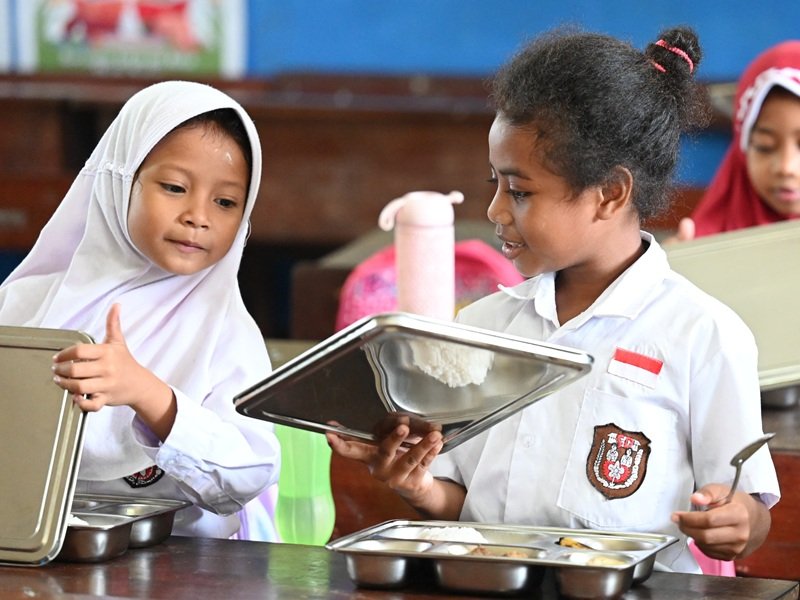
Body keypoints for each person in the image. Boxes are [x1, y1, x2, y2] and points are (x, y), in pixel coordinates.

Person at [326, 27, 780, 573]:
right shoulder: (485, 324)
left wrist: (738, 523)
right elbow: (467, 505)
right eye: (495, 184)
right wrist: (420, 487)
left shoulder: (702, 333)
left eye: (520, 191)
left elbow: (750, 509)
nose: (495, 210)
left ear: (610, 193)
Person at [0, 80, 280, 540]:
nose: (198, 216)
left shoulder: (226, 332)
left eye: (226, 202)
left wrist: (147, 394)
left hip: (187, 562)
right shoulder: (24, 306)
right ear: (120, 181)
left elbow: (247, 475)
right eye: (174, 187)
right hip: (39, 553)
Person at [672, 40, 800, 240]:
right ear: (743, 149)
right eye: (765, 146)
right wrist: (675, 258)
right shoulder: (704, 243)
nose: (786, 168)